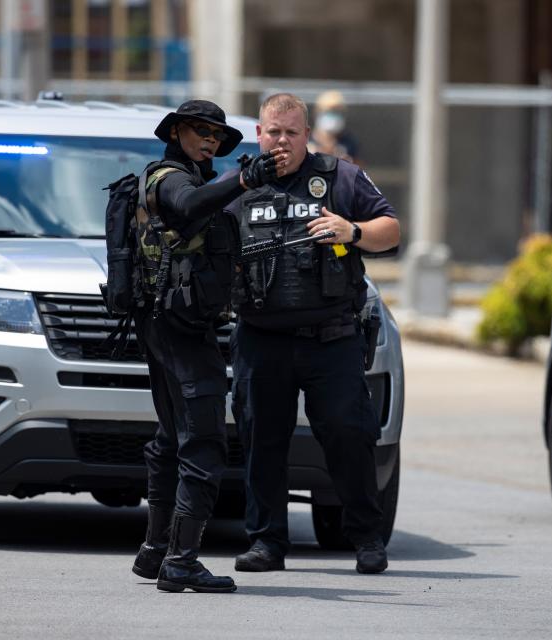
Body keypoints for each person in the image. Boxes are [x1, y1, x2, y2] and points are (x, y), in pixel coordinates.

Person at [228, 93, 400, 575]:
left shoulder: (340, 176)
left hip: (331, 335)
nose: (281, 140)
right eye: (273, 132)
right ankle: (266, 543)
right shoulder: (240, 186)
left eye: (292, 132)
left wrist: (353, 231)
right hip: (261, 337)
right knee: (261, 439)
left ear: (307, 135)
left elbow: (392, 229)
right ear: (258, 134)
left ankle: (366, 538)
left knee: (349, 433)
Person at [130, 99, 286, 593]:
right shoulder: (169, 177)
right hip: (177, 328)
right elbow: (188, 205)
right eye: (201, 131)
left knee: (172, 440)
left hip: (173, 325)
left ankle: (156, 552)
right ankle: (182, 561)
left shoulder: (197, 180)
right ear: (176, 132)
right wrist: (244, 180)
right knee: (205, 444)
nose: (211, 141)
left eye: (217, 135)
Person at [307, 90, 359, 163]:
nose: (333, 115)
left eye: (337, 111)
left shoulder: (349, 143)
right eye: (328, 111)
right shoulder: (305, 141)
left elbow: (359, 169)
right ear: (317, 112)